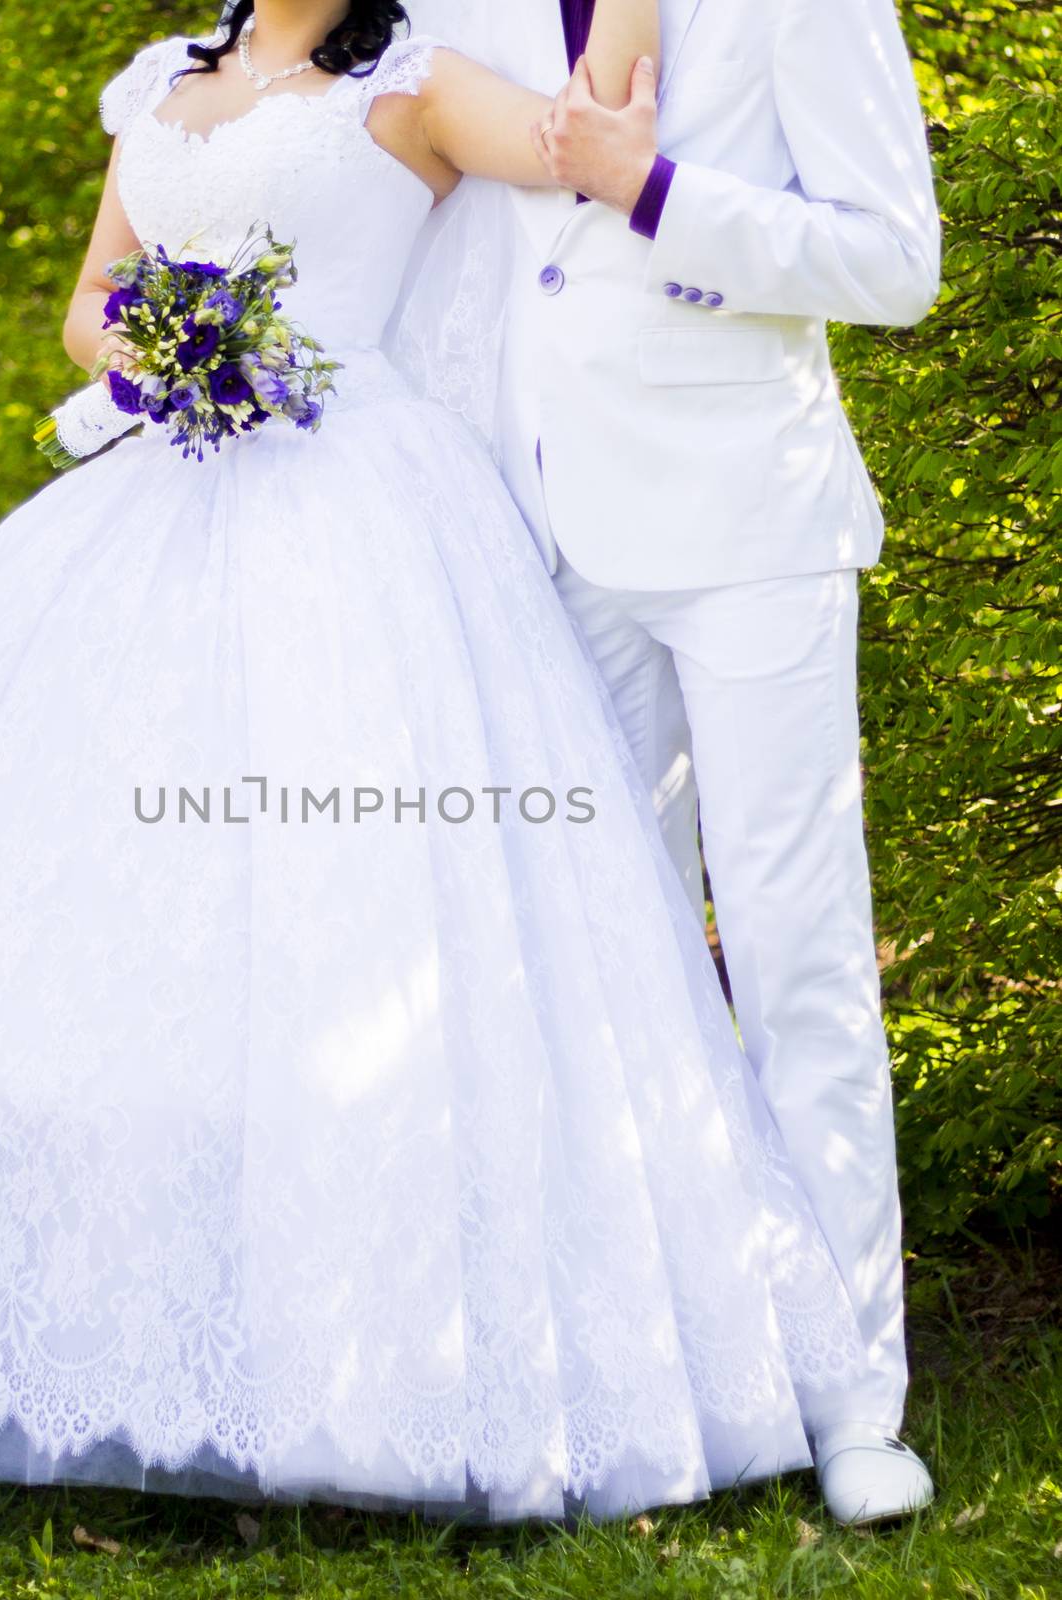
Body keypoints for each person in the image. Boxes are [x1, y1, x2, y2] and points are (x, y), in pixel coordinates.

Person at [0, 0, 889, 1526]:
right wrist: (167, 349)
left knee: (341, 912)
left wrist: (624, 54)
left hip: (354, 511)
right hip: (154, 492)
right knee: (103, 917)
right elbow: (89, 299)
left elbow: (586, 143)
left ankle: (381, 1360)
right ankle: (153, 1352)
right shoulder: (155, 83)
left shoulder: (424, 81)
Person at [412, 0, 941, 1525]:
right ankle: (644, 1380)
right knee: (590, 980)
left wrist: (653, 190)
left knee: (795, 965)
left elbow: (891, 259)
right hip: (536, 527)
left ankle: (853, 1405)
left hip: (747, 531)